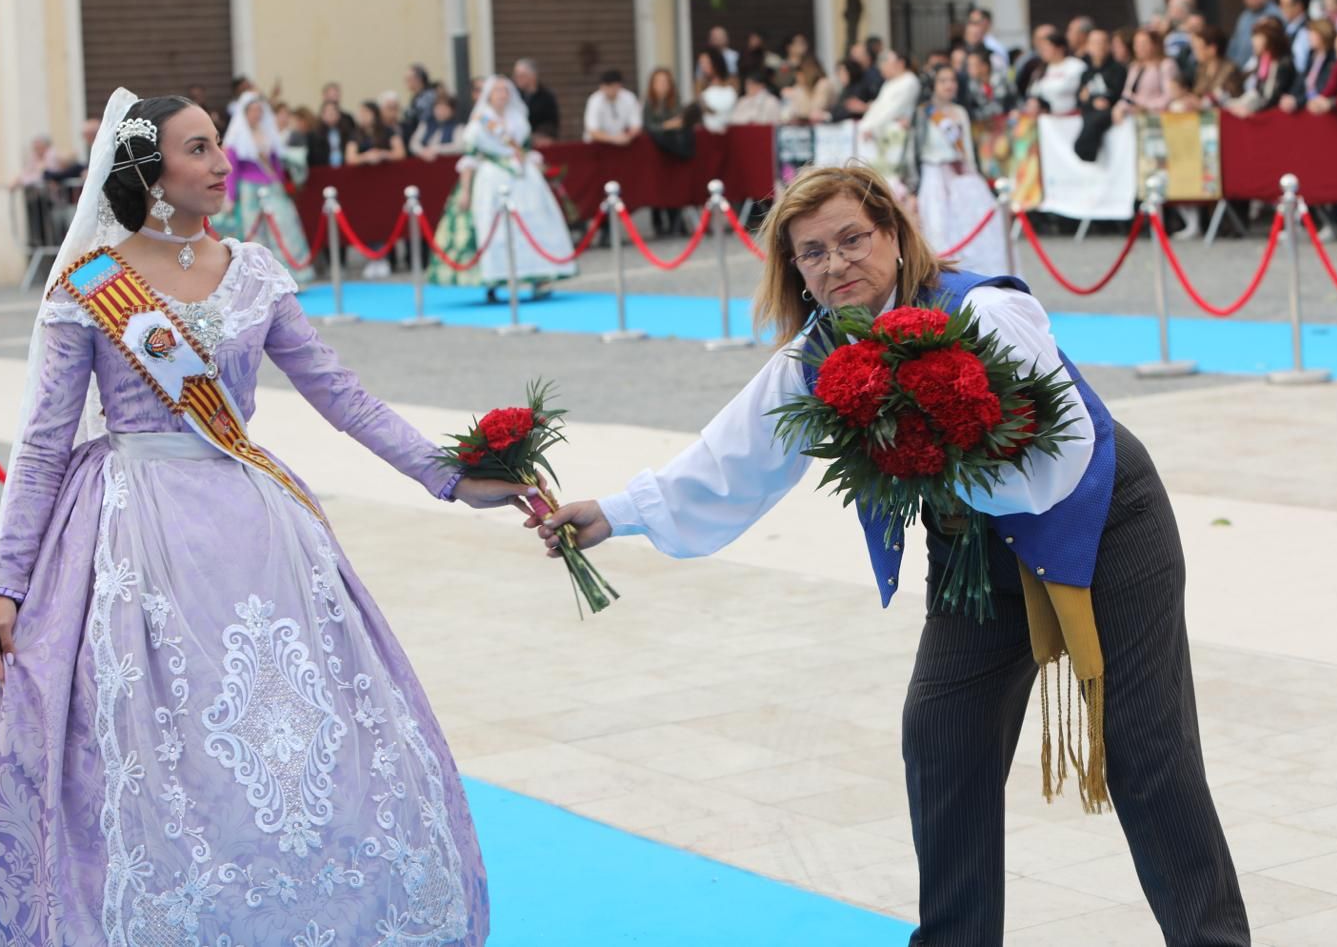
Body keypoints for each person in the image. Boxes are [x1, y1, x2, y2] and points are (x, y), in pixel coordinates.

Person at [528, 162, 1251, 947]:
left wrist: (944, 457)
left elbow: (1066, 445)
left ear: (897, 238)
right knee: (941, 737)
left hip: (1104, 522)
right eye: (813, 253)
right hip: (976, 561)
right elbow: (731, 456)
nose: (836, 263)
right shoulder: (816, 358)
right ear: (795, 271)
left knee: (1146, 752)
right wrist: (613, 512)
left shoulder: (984, 308)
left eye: (852, 239)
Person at [0, 89, 520, 946]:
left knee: (284, 744)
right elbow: (44, 445)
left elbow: (341, 397)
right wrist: (9, 582)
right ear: (148, 170)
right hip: (129, 535)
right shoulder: (89, 287)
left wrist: (452, 477)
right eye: (199, 148)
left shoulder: (255, 272)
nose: (221, 163)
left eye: (219, 145)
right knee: (159, 753)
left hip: (254, 531)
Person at [426, 75, 578, 297]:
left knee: (533, 224)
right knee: (492, 227)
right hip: (492, 179)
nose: (502, 94)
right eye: (497, 90)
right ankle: (494, 279)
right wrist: (466, 190)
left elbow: (524, 148)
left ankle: (539, 277)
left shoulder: (519, 119)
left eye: (505, 90)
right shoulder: (480, 122)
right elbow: (470, 157)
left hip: (522, 179)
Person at [912, 66, 1011, 275]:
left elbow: (967, 150)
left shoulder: (960, 112)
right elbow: (914, 150)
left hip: (962, 175)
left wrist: (975, 175)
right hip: (935, 176)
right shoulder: (923, 113)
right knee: (939, 232)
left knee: (977, 228)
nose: (949, 85)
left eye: (952, 80)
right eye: (943, 81)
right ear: (933, 85)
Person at [212, 91, 316, 283]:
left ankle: (291, 276)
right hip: (250, 191)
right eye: (253, 110)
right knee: (255, 234)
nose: (257, 114)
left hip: (272, 187)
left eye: (259, 110)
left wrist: (283, 185)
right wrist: (230, 197)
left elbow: (276, 163)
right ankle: (259, 280)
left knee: (285, 227)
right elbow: (232, 169)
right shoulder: (237, 136)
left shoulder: (268, 132)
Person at [858, 49, 922, 189]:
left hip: (897, 134)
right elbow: (878, 107)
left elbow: (893, 110)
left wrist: (873, 127)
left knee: (895, 178)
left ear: (900, 63)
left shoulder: (909, 81)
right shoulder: (889, 83)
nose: (883, 71)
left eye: (886, 65)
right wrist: (866, 125)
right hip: (880, 134)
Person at [642, 67, 689, 236]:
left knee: (673, 187)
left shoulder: (675, 102)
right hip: (655, 153)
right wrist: (666, 126)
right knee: (656, 187)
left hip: (673, 151)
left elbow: (682, 122)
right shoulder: (649, 104)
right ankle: (658, 222)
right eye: (658, 82)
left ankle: (676, 221)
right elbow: (647, 126)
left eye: (665, 82)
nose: (662, 85)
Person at [1073, 28, 1127, 162]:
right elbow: (1079, 99)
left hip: (1110, 116)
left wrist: (1091, 99)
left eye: (1102, 42)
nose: (1099, 47)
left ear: (1109, 45)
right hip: (1090, 115)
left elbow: (1117, 94)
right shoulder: (1086, 73)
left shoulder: (1118, 69)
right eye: (1095, 43)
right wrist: (1092, 101)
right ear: (1088, 46)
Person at [1226, 19, 1297, 117]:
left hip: (1276, 117)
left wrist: (1251, 109)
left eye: (1258, 39)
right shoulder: (1263, 60)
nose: (1254, 43)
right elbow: (1258, 91)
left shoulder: (1282, 63)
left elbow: (1271, 96)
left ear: (1268, 40)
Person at [1114, 27, 1180, 120]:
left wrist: (1146, 107)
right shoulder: (1135, 66)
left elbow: (1170, 95)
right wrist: (1119, 107)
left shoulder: (1166, 65)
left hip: (1156, 115)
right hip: (1133, 113)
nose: (1138, 48)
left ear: (1155, 45)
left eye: (1143, 44)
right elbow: (1127, 93)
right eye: (1136, 44)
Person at [1021, 26, 1086, 114]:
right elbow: (1032, 93)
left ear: (1060, 48)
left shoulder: (1076, 66)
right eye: (1042, 49)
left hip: (1071, 117)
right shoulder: (1040, 70)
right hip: (1046, 119)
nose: (1043, 52)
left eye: (1047, 48)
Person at [1282, 19, 1337, 112]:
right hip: (1307, 103)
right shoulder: (1312, 55)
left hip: (1319, 106)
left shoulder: (1333, 59)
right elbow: (1302, 80)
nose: (1309, 37)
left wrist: (1298, 101)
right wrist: (1292, 96)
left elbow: (1321, 89)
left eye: (1312, 34)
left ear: (1323, 35)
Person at [582, 69, 643, 145]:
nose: (610, 90)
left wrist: (627, 136)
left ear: (619, 85)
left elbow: (636, 125)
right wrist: (614, 139)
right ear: (601, 86)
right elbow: (592, 130)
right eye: (607, 87)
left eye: (613, 87)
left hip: (623, 144)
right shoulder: (594, 100)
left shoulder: (629, 97)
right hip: (597, 145)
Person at [1188, 23, 1243, 107]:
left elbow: (1227, 96)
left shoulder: (1230, 69)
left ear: (1212, 49)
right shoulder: (1202, 68)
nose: (1195, 52)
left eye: (1198, 48)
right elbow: (1197, 93)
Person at [1229, 0, 1281, 68]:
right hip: (1241, 65)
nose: (1252, 0)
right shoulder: (1244, 16)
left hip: (1263, 64)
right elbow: (1235, 41)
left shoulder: (1274, 14)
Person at [511, 58, 560, 143]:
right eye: (516, 75)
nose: (517, 79)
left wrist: (538, 135)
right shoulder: (514, 96)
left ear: (533, 76)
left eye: (521, 75)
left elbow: (552, 123)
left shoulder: (547, 97)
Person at [779, 54, 837, 124]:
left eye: (800, 73)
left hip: (826, 127)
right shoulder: (801, 87)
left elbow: (815, 110)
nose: (797, 77)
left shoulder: (824, 84)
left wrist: (798, 94)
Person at [694, 49, 739, 133]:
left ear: (715, 62)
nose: (703, 66)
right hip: (706, 134)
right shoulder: (701, 87)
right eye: (701, 63)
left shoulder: (730, 85)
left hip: (726, 133)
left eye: (706, 62)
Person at [411, 90, 464, 161]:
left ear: (452, 110)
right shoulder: (426, 123)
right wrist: (422, 151)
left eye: (445, 108)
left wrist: (437, 149)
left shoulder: (458, 126)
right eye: (438, 108)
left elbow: (459, 147)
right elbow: (413, 143)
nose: (441, 111)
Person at [306, 98, 351, 168]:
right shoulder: (313, 135)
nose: (331, 113)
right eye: (327, 111)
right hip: (322, 171)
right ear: (322, 114)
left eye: (334, 110)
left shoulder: (346, 132)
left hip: (343, 169)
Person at [1278, 0, 1314, 71]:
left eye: (1285, 5)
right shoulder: (1286, 28)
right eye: (1281, 4)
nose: (1281, 9)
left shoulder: (1306, 31)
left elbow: (1299, 67)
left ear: (1299, 6)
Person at [401, 63, 439, 142]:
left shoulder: (428, 96)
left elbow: (424, 119)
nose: (406, 83)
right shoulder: (416, 97)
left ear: (418, 79)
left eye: (409, 79)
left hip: (428, 136)